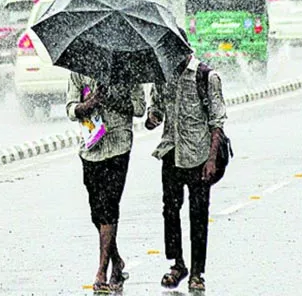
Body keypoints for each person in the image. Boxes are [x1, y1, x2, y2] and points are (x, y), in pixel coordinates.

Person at [145, 53, 227, 292]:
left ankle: (197, 273)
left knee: (198, 215)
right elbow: (157, 110)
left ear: (185, 52)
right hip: (171, 152)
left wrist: (211, 160)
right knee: (170, 210)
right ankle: (177, 264)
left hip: (199, 156)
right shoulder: (162, 76)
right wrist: (152, 118)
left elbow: (217, 122)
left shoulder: (206, 77)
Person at [66, 73, 145, 292]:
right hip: (91, 149)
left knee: (110, 206)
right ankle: (116, 261)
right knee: (97, 213)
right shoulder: (78, 69)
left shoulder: (128, 69)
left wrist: (113, 99)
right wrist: (91, 103)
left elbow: (139, 108)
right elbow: (71, 109)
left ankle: (102, 271)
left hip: (119, 146)